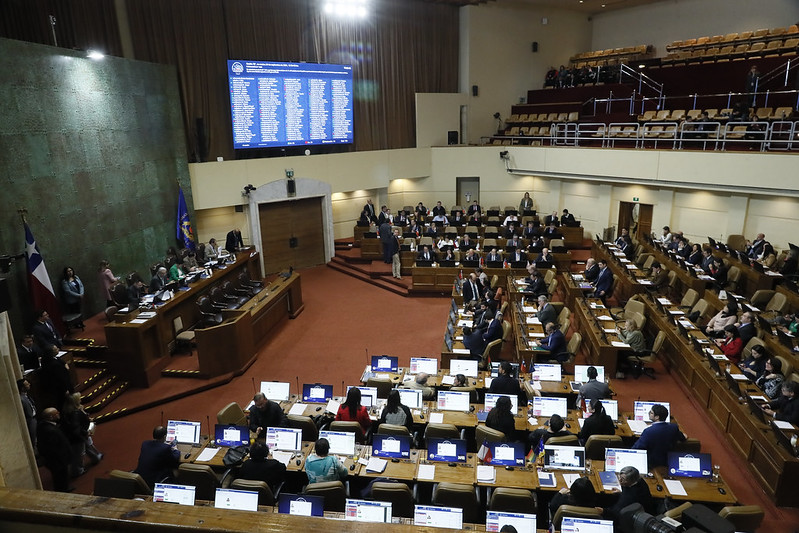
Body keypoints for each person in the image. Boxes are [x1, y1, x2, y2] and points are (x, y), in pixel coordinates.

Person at [61, 392, 102, 477]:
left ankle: (96, 457)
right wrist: (85, 432)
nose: (81, 399)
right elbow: (76, 428)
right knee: (78, 454)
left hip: (79, 435)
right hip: (77, 437)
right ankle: (77, 471)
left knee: (88, 446)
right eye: (79, 398)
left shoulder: (71, 410)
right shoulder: (74, 413)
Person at [631, 404, 685, 469]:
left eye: (651, 413)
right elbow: (683, 438)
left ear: (657, 417)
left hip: (651, 464)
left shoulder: (648, 431)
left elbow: (637, 448)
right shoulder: (673, 427)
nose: (649, 413)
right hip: (668, 462)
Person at [37, 408, 73, 492]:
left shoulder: (43, 425)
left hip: (57, 460)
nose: (59, 414)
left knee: (63, 477)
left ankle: (65, 488)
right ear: (50, 417)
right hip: (57, 461)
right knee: (60, 478)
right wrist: (63, 459)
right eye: (56, 413)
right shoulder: (50, 430)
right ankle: (63, 491)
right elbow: (53, 449)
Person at [18, 378, 37, 448]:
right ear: (22, 388)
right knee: (32, 437)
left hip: (34, 418)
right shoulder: (21, 399)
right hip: (30, 420)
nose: (29, 385)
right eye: (27, 384)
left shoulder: (26, 395)